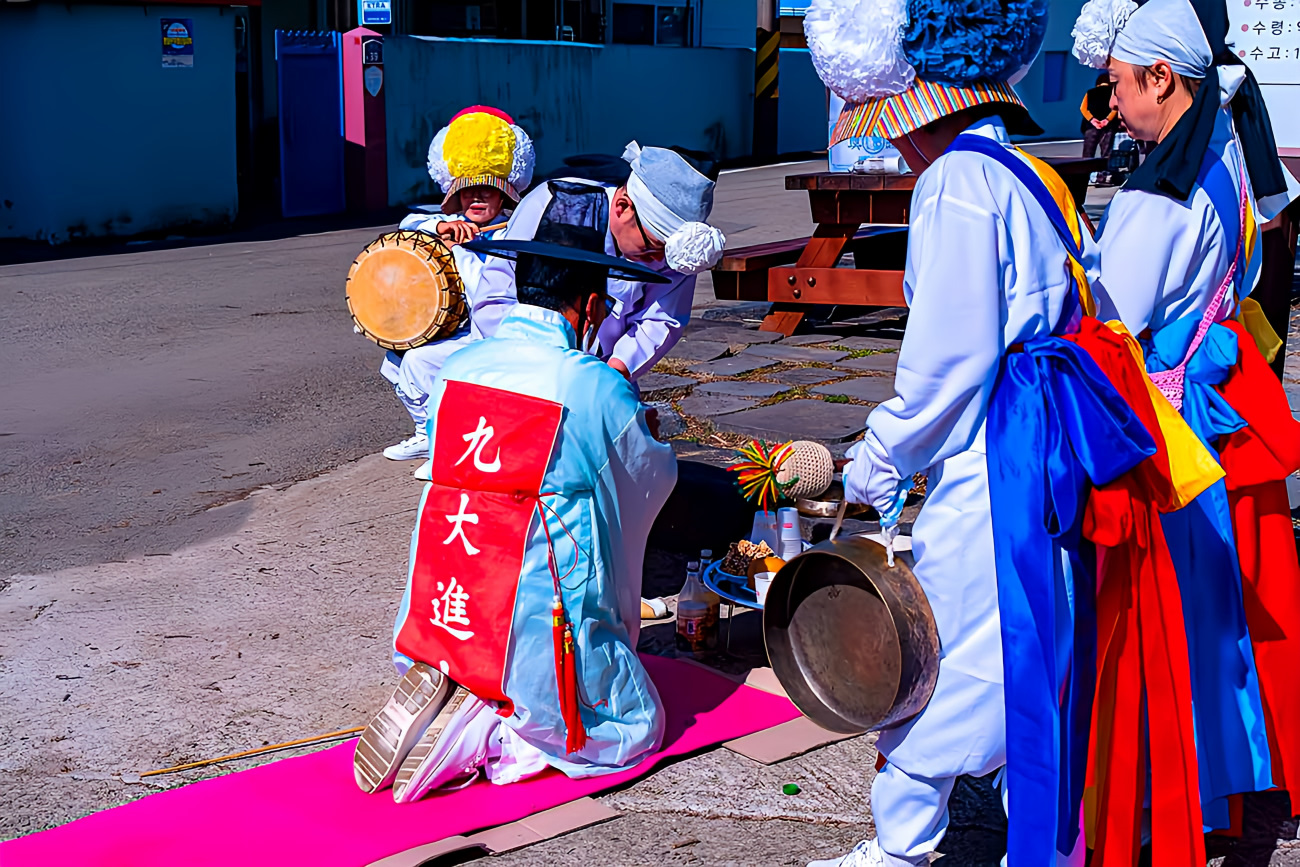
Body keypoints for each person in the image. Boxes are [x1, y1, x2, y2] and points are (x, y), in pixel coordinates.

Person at [802, 0, 1170, 862]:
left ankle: (903, 839)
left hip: (993, 449)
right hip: (1050, 446)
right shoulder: (1031, 175)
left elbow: (948, 359)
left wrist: (881, 456)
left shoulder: (955, 184)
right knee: (1036, 640)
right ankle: (1039, 823)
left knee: (948, 650)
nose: (896, 148)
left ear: (916, 106)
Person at [352, 183, 678, 803]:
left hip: (448, 586)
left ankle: (452, 674)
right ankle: (488, 731)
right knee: (632, 729)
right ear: (590, 305)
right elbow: (647, 479)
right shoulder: (588, 383)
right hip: (531, 602)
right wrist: (647, 435)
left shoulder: (459, 368)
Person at [1074, 0, 1300, 851]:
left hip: (1167, 412)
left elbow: (1113, 318)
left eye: (1119, 85)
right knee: (1218, 607)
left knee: (1164, 615)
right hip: (1213, 391)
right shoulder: (1226, 158)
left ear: (1163, 79)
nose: (1112, 102)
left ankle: (1162, 786)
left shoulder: (1155, 199)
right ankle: (1222, 773)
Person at [471, 142, 726, 383]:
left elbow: (660, 320)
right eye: (651, 247)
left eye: (665, 254)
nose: (658, 261)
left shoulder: (677, 253)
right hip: (513, 362)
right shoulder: (552, 204)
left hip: (599, 375)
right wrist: (538, 364)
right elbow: (494, 298)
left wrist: (615, 372)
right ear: (623, 207)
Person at [379, 106, 535, 461]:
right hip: (460, 329)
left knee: (423, 362)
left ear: (504, 195)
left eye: (486, 191)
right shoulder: (448, 226)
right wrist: (441, 228)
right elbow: (407, 226)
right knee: (401, 357)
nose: (476, 198)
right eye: (467, 192)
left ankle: (449, 442)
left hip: (500, 334)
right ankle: (429, 433)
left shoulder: (517, 229)